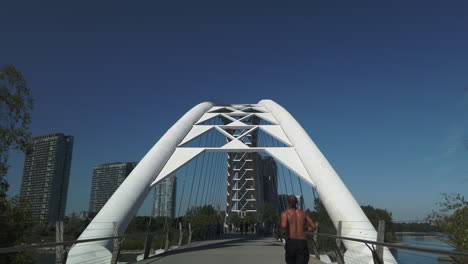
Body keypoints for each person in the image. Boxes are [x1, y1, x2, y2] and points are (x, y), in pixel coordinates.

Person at [281, 195, 317, 264]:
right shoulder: (303, 213)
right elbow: (313, 227)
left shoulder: (285, 213)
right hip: (302, 242)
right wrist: (304, 229)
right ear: (297, 202)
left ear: (288, 202)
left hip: (291, 241)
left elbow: (284, 225)